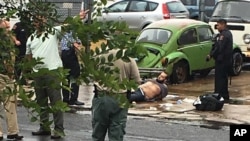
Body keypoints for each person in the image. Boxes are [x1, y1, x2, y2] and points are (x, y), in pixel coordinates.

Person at [92, 49, 141, 141]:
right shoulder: (128, 57)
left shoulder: (99, 55)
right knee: (117, 132)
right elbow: (136, 80)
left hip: (102, 96)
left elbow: (93, 75)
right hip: (121, 98)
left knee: (98, 131)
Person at [0, 18, 24, 140]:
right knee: (10, 102)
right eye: (5, 22)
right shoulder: (4, 40)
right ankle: (12, 131)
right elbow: (7, 59)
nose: (8, 24)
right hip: (4, 75)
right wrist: (11, 73)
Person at [207, 19, 233, 103]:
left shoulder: (224, 35)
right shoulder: (225, 34)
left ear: (223, 25)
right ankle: (223, 95)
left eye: (218, 25)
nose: (217, 27)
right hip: (225, 60)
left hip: (222, 61)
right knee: (223, 79)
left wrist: (211, 55)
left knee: (220, 79)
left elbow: (219, 48)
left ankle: (219, 95)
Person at [60, 31, 84, 106]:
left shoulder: (62, 32)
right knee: (75, 76)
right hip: (70, 53)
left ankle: (66, 99)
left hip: (64, 54)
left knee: (66, 77)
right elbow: (77, 44)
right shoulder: (74, 31)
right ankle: (73, 99)